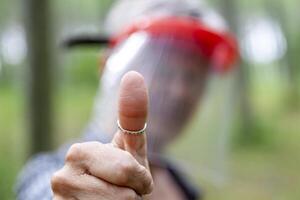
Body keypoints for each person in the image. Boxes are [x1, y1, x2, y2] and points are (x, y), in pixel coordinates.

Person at [16, 0, 238, 199]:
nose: (180, 91)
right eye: (164, 69)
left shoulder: (182, 183)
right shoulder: (54, 173)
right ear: (108, 67)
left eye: (193, 78)